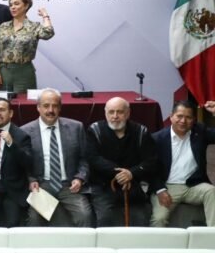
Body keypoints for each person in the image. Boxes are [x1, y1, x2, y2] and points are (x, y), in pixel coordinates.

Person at [20, 88, 91, 227]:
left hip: (69, 185)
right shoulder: (25, 131)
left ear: (60, 108)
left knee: (85, 215)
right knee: (35, 219)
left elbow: (85, 158)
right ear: (38, 107)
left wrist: (80, 178)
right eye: (46, 106)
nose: (50, 110)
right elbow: (22, 163)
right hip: (42, 185)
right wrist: (31, 179)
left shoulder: (76, 127)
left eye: (55, 106)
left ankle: (82, 248)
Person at [87, 97, 157, 227]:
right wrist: (120, 173)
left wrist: (131, 173)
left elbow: (151, 160)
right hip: (103, 185)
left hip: (133, 184)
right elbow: (93, 158)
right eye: (111, 112)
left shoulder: (141, 132)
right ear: (105, 113)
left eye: (120, 112)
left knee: (140, 219)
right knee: (105, 218)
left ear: (128, 113)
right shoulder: (95, 130)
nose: (115, 116)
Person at [150, 100, 215, 227]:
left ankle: (212, 237)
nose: (183, 121)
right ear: (171, 117)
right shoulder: (157, 139)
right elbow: (149, 168)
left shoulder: (199, 132)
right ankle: (156, 245)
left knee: (212, 192)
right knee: (159, 219)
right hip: (167, 187)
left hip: (193, 185)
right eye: (179, 116)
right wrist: (159, 190)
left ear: (194, 120)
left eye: (188, 117)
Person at [0, 98, 32, 228]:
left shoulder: (21, 135)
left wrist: (11, 144)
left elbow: (28, 162)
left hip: (11, 187)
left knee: (12, 223)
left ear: (11, 113)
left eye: (2, 110)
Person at [0, 0, 55, 93]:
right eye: (11, 5)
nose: (13, 7)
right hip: (4, 72)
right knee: (3, 103)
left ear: (26, 6)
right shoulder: (3, 26)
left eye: (16, 4)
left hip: (24, 71)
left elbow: (48, 33)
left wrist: (45, 16)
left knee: (23, 104)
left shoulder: (34, 26)